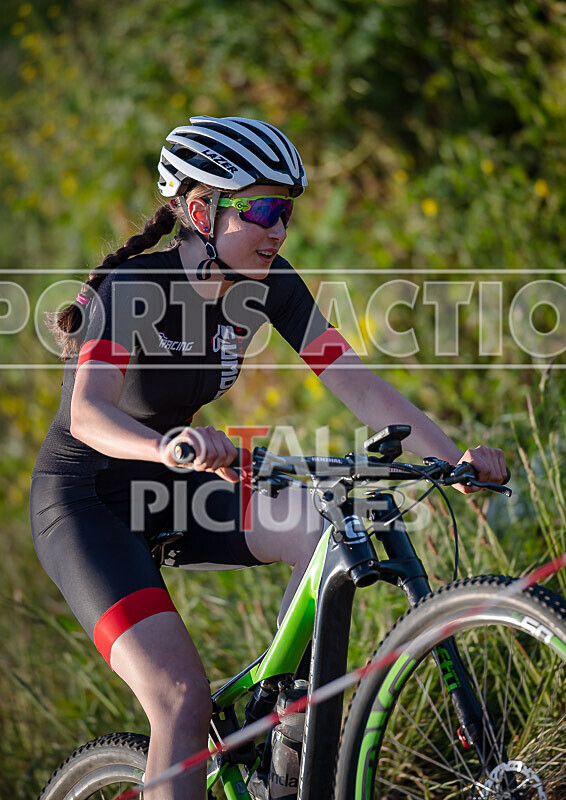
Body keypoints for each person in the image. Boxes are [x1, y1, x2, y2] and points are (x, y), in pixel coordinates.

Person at [30, 115, 507, 800]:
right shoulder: (135, 289)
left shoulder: (273, 285)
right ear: (200, 211)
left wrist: (451, 461)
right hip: (84, 503)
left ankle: (284, 740)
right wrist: (169, 444)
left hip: (176, 479)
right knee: (178, 698)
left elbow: (358, 384)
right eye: (261, 208)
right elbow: (86, 412)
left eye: (286, 209)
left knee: (322, 530)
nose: (279, 227)